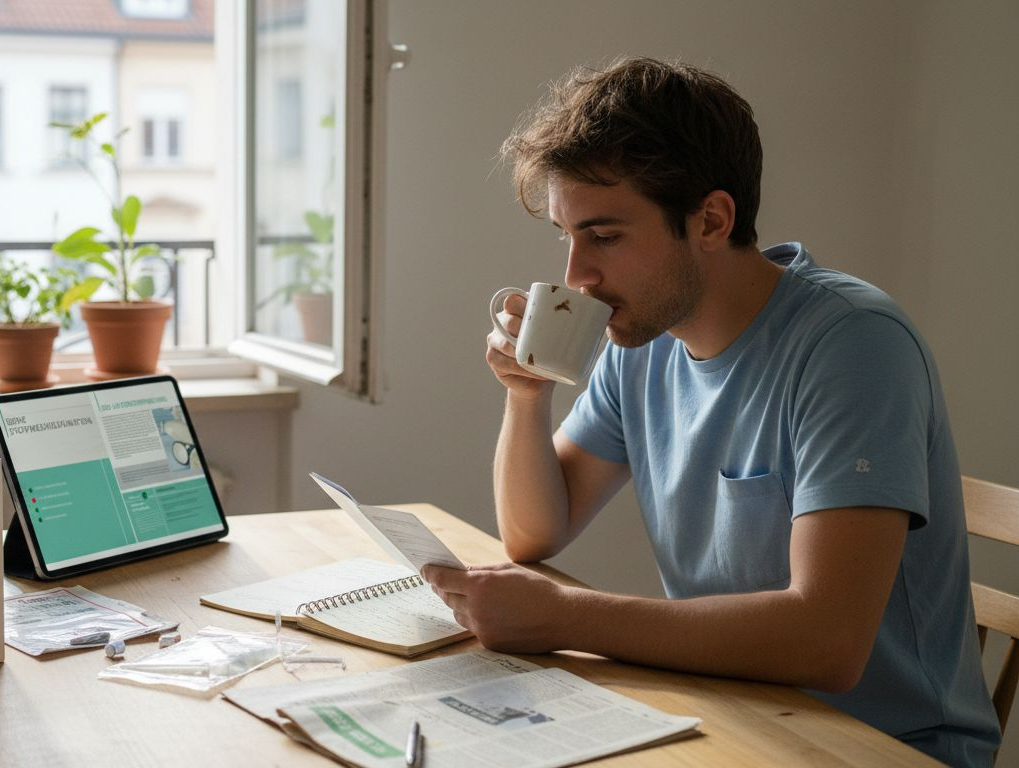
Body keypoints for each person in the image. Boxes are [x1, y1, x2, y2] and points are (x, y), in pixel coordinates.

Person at [423, 57, 1001, 767]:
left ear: (711, 220)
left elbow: (828, 641)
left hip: (885, 750)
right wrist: (526, 394)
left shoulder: (854, 345)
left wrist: (567, 617)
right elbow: (534, 532)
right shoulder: (644, 340)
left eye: (604, 236)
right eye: (565, 236)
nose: (576, 276)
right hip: (732, 716)